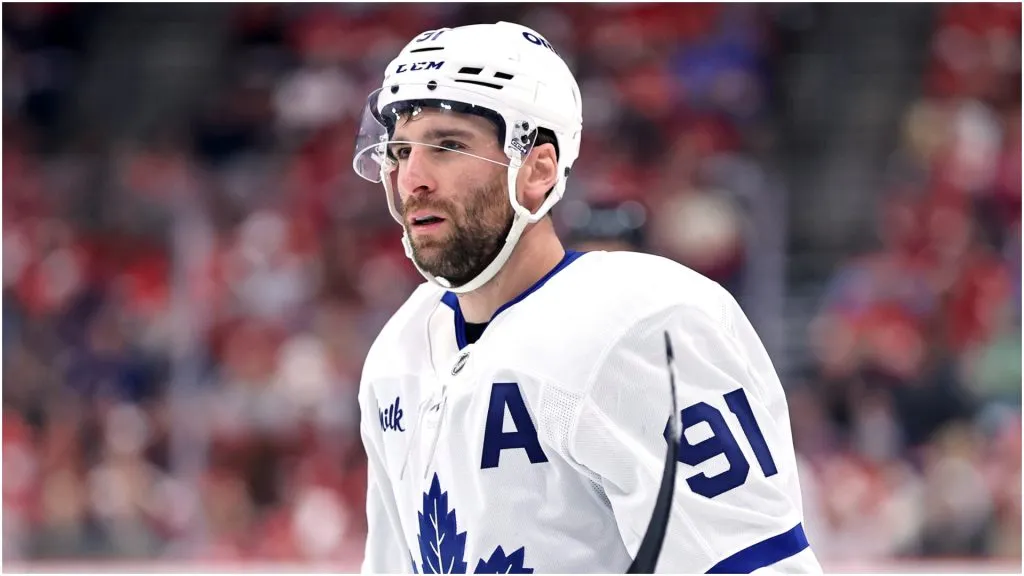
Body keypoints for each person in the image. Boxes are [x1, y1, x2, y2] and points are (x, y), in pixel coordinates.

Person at [351, 21, 821, 574]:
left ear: (537, 170)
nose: (412, 178)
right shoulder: (398, 353)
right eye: (401, 150)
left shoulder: (645, 325)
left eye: (448, 146)